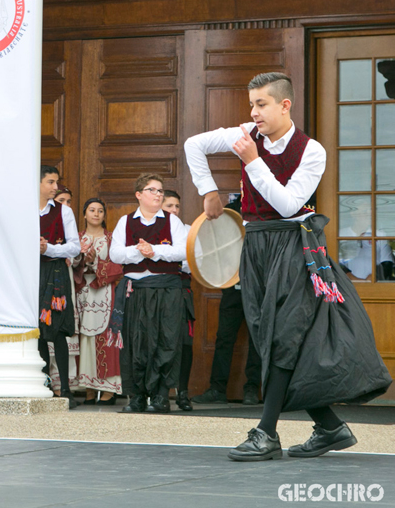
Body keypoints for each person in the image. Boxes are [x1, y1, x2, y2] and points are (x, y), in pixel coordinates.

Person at [184, 72, 392, 461]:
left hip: (296, 245)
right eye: (251, 105)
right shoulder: (246, 132)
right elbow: (193, 144)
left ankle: (265, 433)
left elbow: (287, 204)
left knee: (282, 336)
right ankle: (329, 426)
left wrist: (252, 160)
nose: (253, 113)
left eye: (261, 104)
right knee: (270, 337)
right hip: (257, 245)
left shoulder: (311, 150)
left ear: (284, 105)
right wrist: (207, 190)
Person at [110, 173, 187, 414]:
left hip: (166, 289)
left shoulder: (172, 221)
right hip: (136, 290)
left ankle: (161, 396)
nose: (158, 194)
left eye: (160, 191)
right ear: (139, 195)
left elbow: (184, 251)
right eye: (152, 190)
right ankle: (137, 397)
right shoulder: (125, 221)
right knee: (136, 343)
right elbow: (115, 254)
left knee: (166, 341)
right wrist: (138, 251)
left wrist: (154, 250)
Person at [191, 195, 262, 407]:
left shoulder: (267, 206)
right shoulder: (229, 209)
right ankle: (217, 388)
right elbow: (213, 238)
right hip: (232, 284)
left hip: (260, 286)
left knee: (258, 340)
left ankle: (252, 389)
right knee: (223, 338)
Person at [72, 198, 123, 404]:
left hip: (105, 294)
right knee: (84, 338)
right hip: (81, 293)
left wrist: (96, 263)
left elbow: (119, 266)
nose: (96, 214)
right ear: (84, 214)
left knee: (105, 337)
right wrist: (82, 261)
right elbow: (70, 264)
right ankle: (89, 390)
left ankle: (109, 390)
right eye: (92, 210)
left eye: (100, 210)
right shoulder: (76, 239)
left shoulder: (112, 239)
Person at [39, 165, 81, 408]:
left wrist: (49, 249)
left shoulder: (63, 212)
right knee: (38, 333)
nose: (56, 187)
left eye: (56, 182)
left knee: (57, 332)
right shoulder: (22, 209)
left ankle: (65, 389)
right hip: (30, 275)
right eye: (51, 182)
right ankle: (44, 386)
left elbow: (75, 247)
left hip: (55, 273)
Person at [161, 190, 195, 411]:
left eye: (176, 206)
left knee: (185, 343)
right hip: (161, 290)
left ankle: (183, 392)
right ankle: (161, 393)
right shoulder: (154, 230)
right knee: (162, 342)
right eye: (169, 206)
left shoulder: (189, 231)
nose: (174, 210)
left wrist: (165, 257)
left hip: (182, 290)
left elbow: (191, 263)